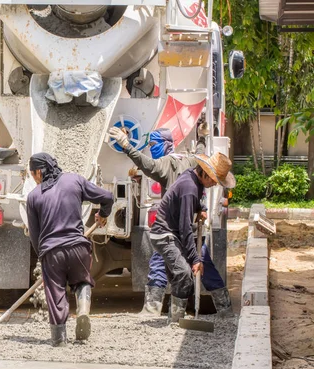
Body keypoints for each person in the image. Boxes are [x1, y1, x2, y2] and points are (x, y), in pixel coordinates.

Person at [108, 124, 232, 318]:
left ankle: (156, 308)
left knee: (173, 262)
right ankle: (218, 309)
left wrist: (127, 146)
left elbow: (145, 163)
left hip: (178, 226)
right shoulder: (191, 160)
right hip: (175, 227)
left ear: (166, 144)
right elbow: (200, 155)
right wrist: (200, 137)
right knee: (192, 262)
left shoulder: (167, 165)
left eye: (153, 144)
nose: (151, 147)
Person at [26, 152, 114, 347]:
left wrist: (44, 259)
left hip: (52, 251)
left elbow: (35, 235)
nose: (34, 179)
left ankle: (59, 339)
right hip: (78, 247)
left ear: (39, 172)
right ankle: (83, 308)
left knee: (56, 293)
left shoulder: (33, 197)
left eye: (33, 175)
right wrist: (103, 213)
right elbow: (107, 197)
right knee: (82, 281)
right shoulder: (74, 181)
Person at [149, 152, 235, 323]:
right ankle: (176, 319)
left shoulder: (194, 179)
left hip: (174, 233)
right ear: (204, 172)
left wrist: (201, 207)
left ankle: (175, 316)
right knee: (183, 272)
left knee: (181, 273)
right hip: (165, 234)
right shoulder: (189, 187)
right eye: (212, 179)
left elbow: (195, 202)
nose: (212, 184)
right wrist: (195, 259)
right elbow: (185, 227)